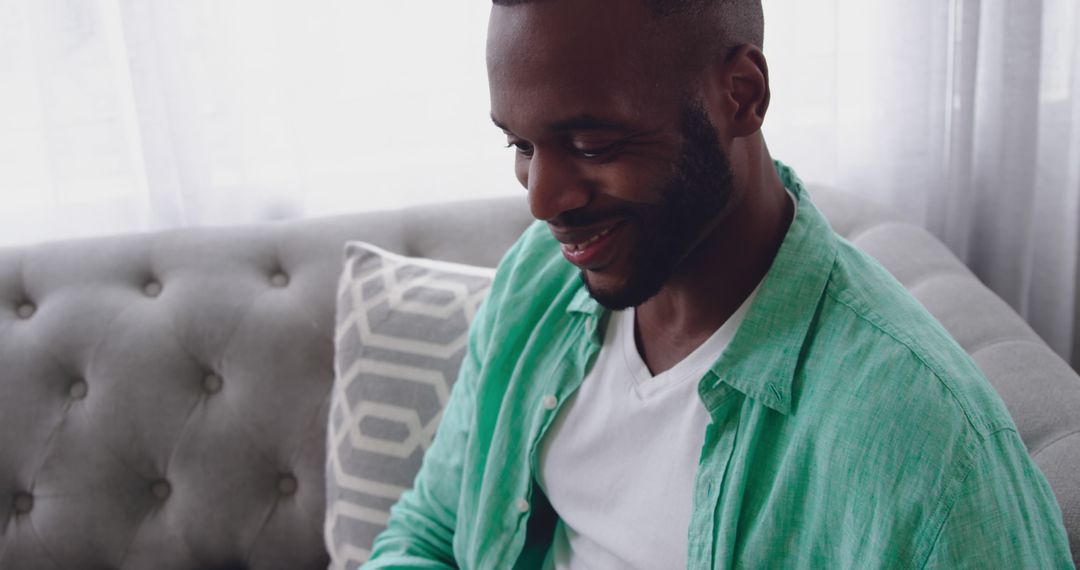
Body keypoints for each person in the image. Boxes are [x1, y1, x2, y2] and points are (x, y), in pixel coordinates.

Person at [365, 0, 1074, 568]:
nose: (543, 199)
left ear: (741, 95)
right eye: (521, 146)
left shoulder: (931, 448)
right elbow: (430, 532)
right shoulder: (537, 282)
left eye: (593, 145)